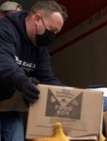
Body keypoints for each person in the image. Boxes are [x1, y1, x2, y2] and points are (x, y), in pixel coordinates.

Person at [0, 0, 68, 141]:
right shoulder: (5, 29)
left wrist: (67, 94)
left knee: (16, 132)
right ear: (37, 19)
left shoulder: (40, 50)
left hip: (7, 105)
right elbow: (3, 59)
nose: (52, 36)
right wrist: (22, 80)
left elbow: (47, 78)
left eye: (56, 33)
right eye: (51, 30)